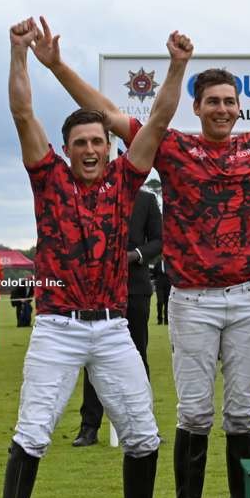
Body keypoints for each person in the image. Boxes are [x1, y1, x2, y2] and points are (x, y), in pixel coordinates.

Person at [33, 17, 250, 498]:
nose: (222, 109)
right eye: (213, 102)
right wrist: (57, 65)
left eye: (230, 101)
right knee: (195, 413)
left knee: (243, 414)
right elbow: (107, 114)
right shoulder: (174, 147)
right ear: (196, 107)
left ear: (240, 106)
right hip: (193, 300)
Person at [0, 17, 182, 498]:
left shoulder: (127, 180)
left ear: (109, 145)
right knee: (33, 429)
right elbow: (23, 113)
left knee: (142, 432)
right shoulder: (47, 177)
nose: (92, 149)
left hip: (112, 326)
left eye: (99, 141)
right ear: (68, 148)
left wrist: (175, 66)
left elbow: (162, 117)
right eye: (82, 142)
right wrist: (19, 53)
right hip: (57, 325)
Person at [73, 188, 162, 447]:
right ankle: (89, 427)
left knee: (138, 356)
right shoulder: (90, 197)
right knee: (94, 356)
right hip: (99, 290)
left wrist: (134, 255)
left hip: (135, 288)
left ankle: (145, 423)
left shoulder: (145, 200)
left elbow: (158, 241)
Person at [152, 259, 171, 326]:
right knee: (160, 301)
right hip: (159, 284)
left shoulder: (170, 263)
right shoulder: (158, 263)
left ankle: (166, 320)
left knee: (167, 303)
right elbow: (154, 273)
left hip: (168, 283)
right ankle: (160, 319)